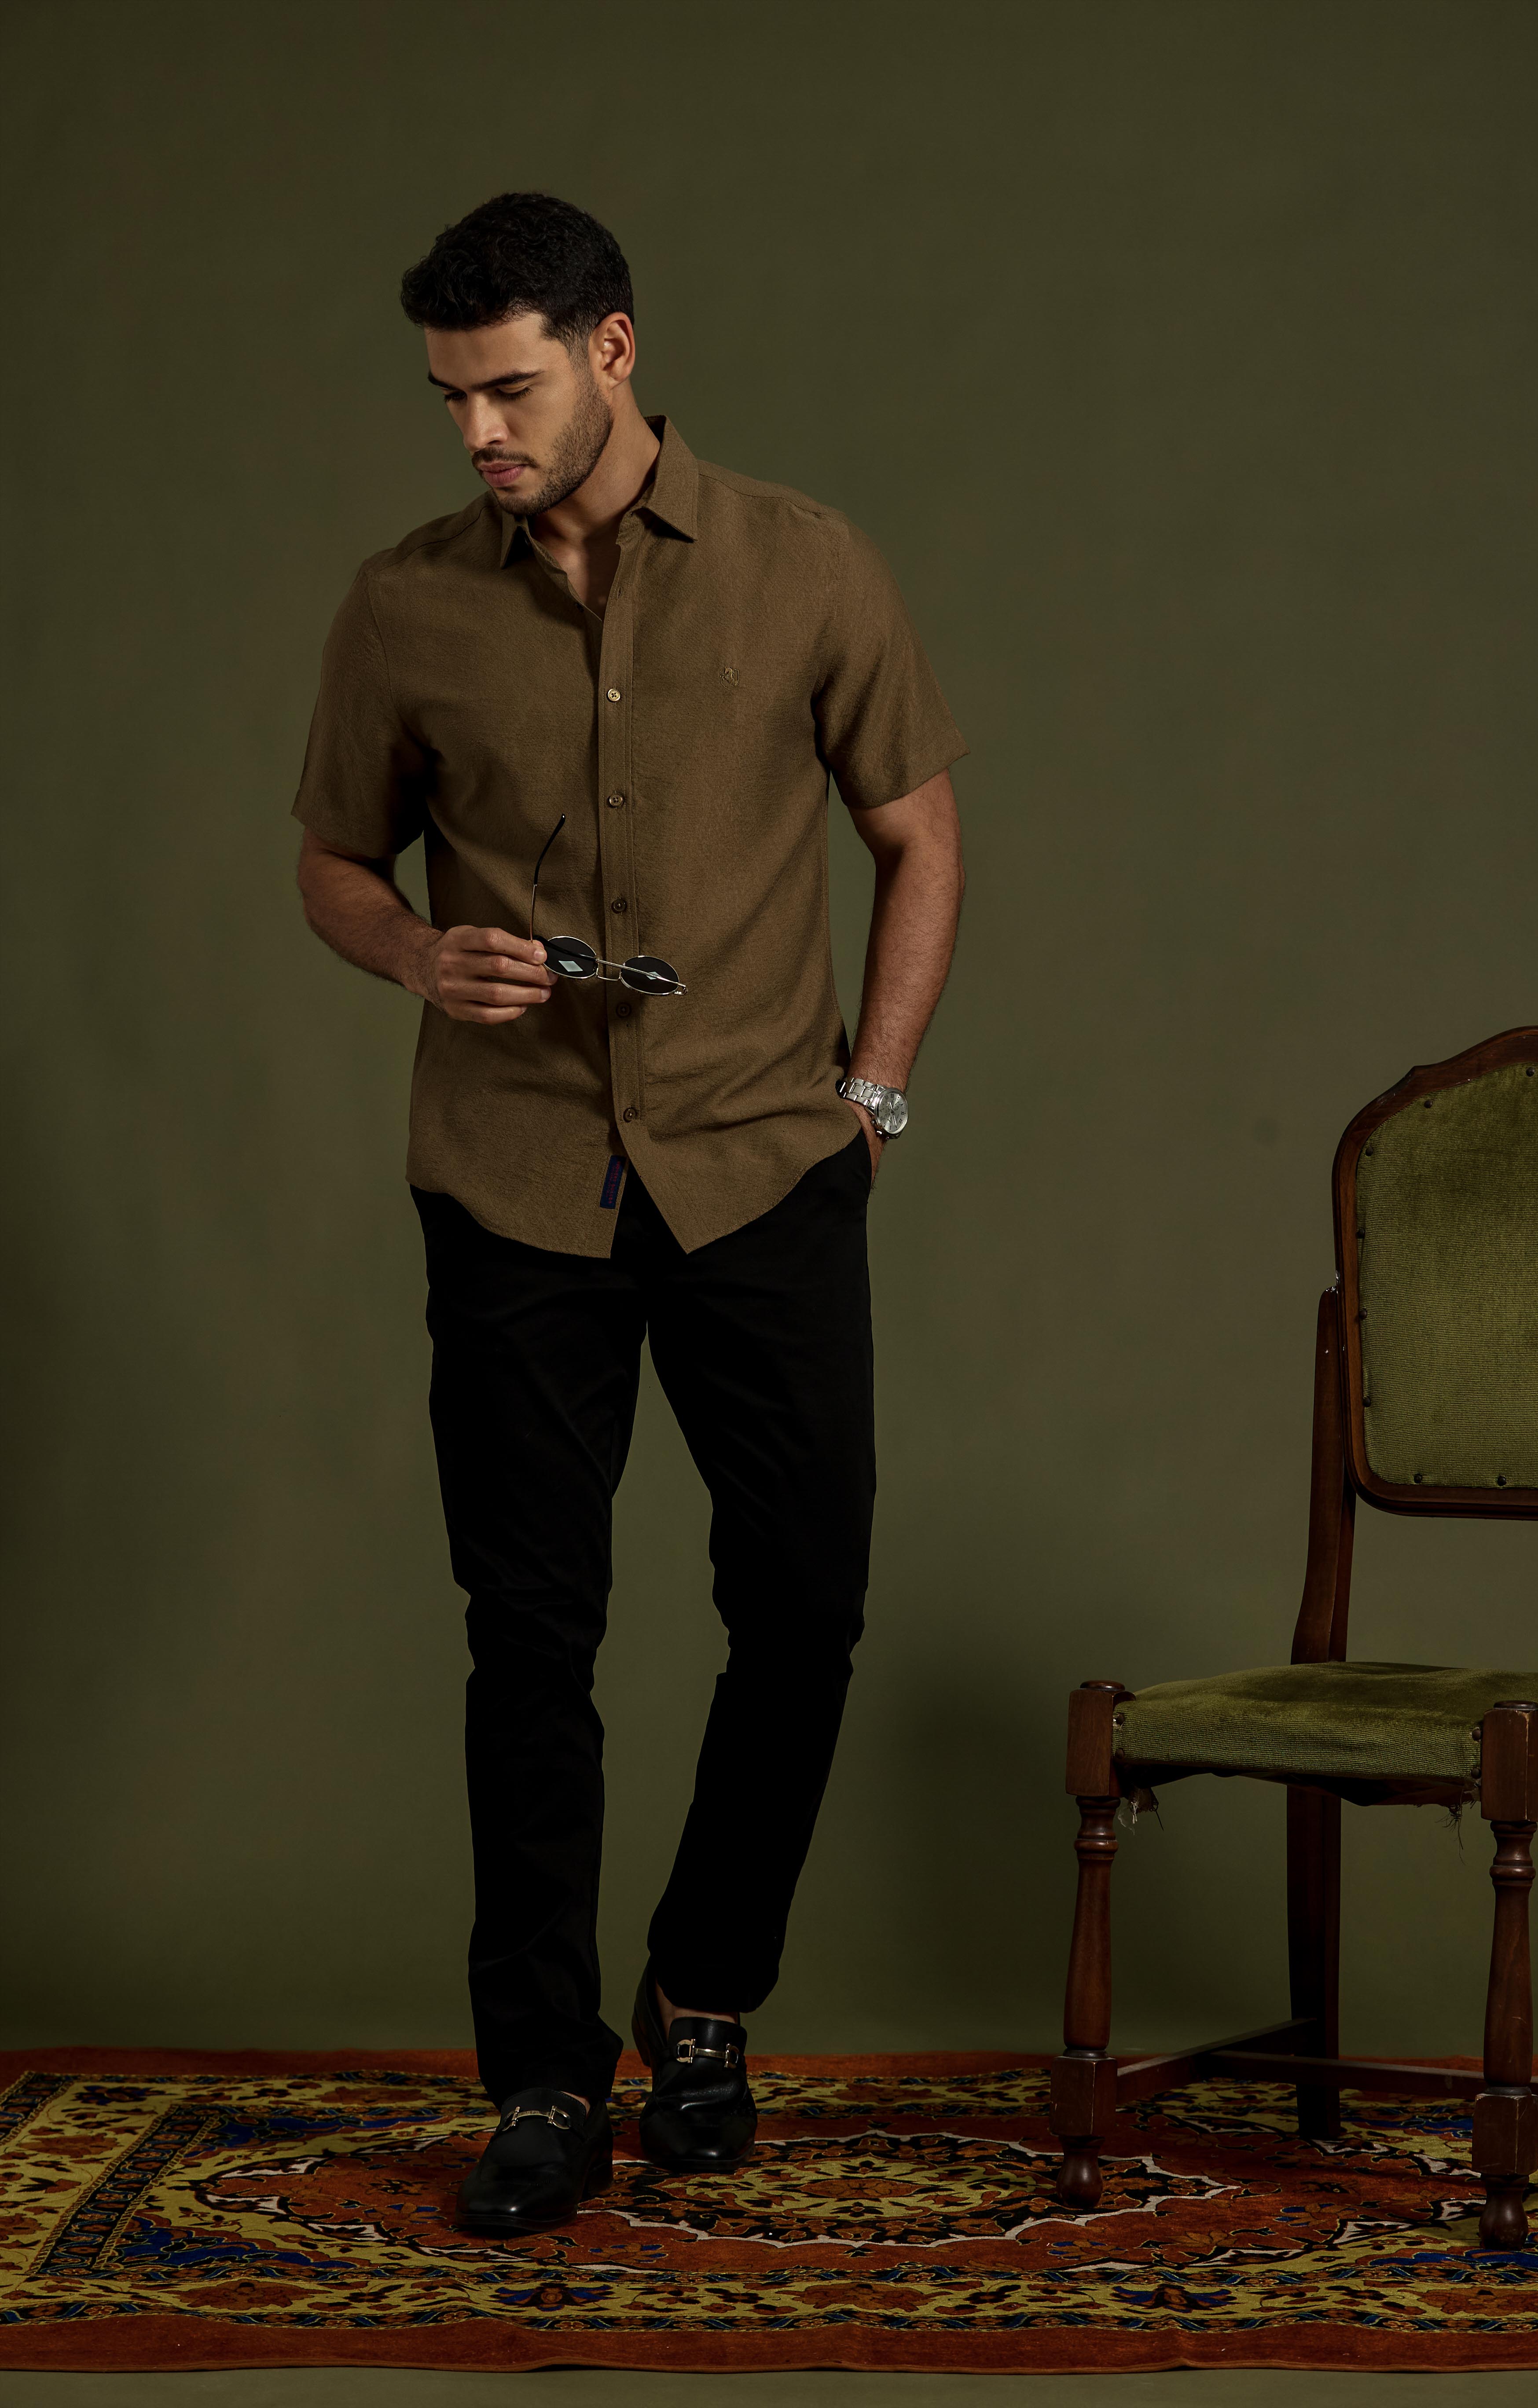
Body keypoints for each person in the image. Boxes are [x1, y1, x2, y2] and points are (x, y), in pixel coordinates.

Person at [293, 191, 966, 2234]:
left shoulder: (809, 564)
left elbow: (919, 834)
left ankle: (703, 1995)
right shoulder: (404, 606)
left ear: (613, 351)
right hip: (513, 1188)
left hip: (766, 1165)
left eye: (507, 388)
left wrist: (873, 1092)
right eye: (449, 398)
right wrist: (419, 955)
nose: (477, 432)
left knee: (805, 1606)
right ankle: (540, 2078)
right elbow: (333, 863)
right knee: (529, 1638)